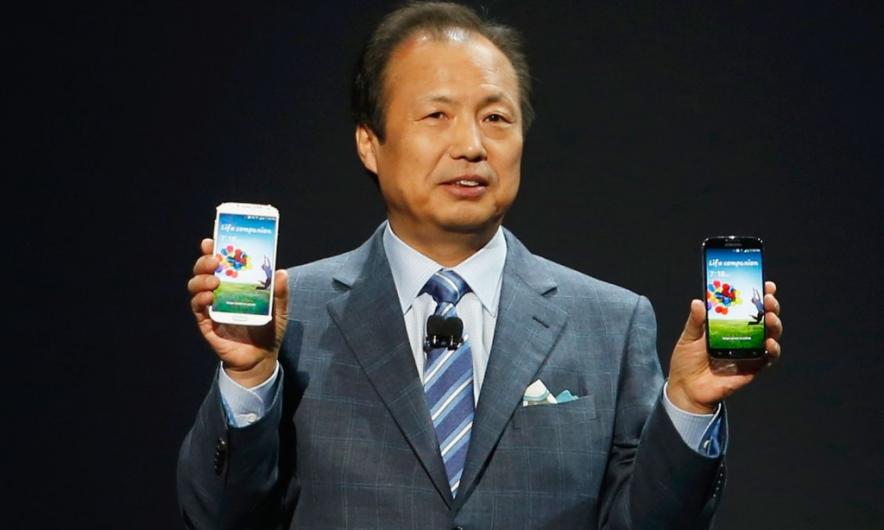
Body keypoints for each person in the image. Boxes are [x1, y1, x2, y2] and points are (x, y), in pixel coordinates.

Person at [178, 3, 783, 529]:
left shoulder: (611, 322)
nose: (470, 145)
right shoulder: (292, 317)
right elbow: (217, 518)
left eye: (495, 118)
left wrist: (688, 406)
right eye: (436, 115)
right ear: (369, 142)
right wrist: (250, 378)